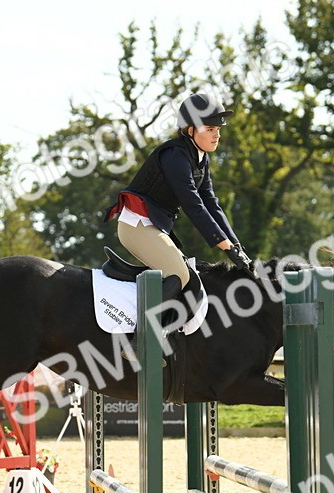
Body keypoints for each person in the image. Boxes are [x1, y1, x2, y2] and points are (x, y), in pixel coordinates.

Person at [103, 93, 248, 355]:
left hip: (152, 225)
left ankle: (168, 338)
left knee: (190, 277)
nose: (216, 135)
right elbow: (194, 205)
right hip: (137, 224)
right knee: (179, 275)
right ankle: (140, 341)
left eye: (217, 130)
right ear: (190, 130)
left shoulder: (201, 158)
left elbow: (212, 203)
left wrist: (236, 244)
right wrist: (223, 245)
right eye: (210, 129)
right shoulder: (175, 157)